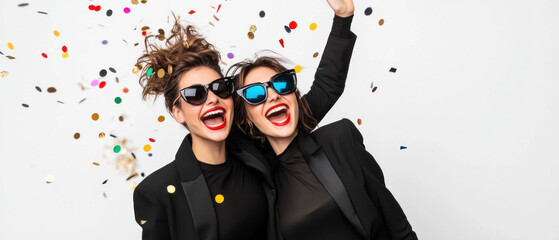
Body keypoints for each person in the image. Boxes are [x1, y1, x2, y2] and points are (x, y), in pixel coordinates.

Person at [132, 0, 358, 238]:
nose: (211, 99)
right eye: (195, 94)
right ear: (177, 112)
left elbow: (325, 90)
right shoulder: (158, 192)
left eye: (219, 87)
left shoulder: (257, 147)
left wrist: (342, 20)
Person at [230, 11, 418, 240]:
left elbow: (400, 230)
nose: (272, 96)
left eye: (281, 84)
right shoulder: (255, 182)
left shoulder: (340, 139)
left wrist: (343, 18)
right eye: (256, 94)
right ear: (246, 118)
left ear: (293, 95)